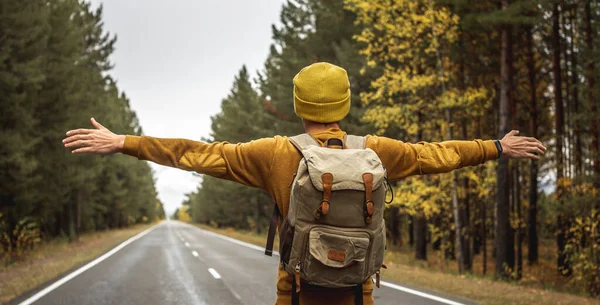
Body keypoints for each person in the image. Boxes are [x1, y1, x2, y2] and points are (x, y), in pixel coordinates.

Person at [63, 62, 546, 305]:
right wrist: (496, 147)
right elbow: (437, 155)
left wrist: (125, 140)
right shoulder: (378, 149)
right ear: (346, 103)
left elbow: (196, 153)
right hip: (359, 294)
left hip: (295, 294)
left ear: (299, 106)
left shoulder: (274, 152)